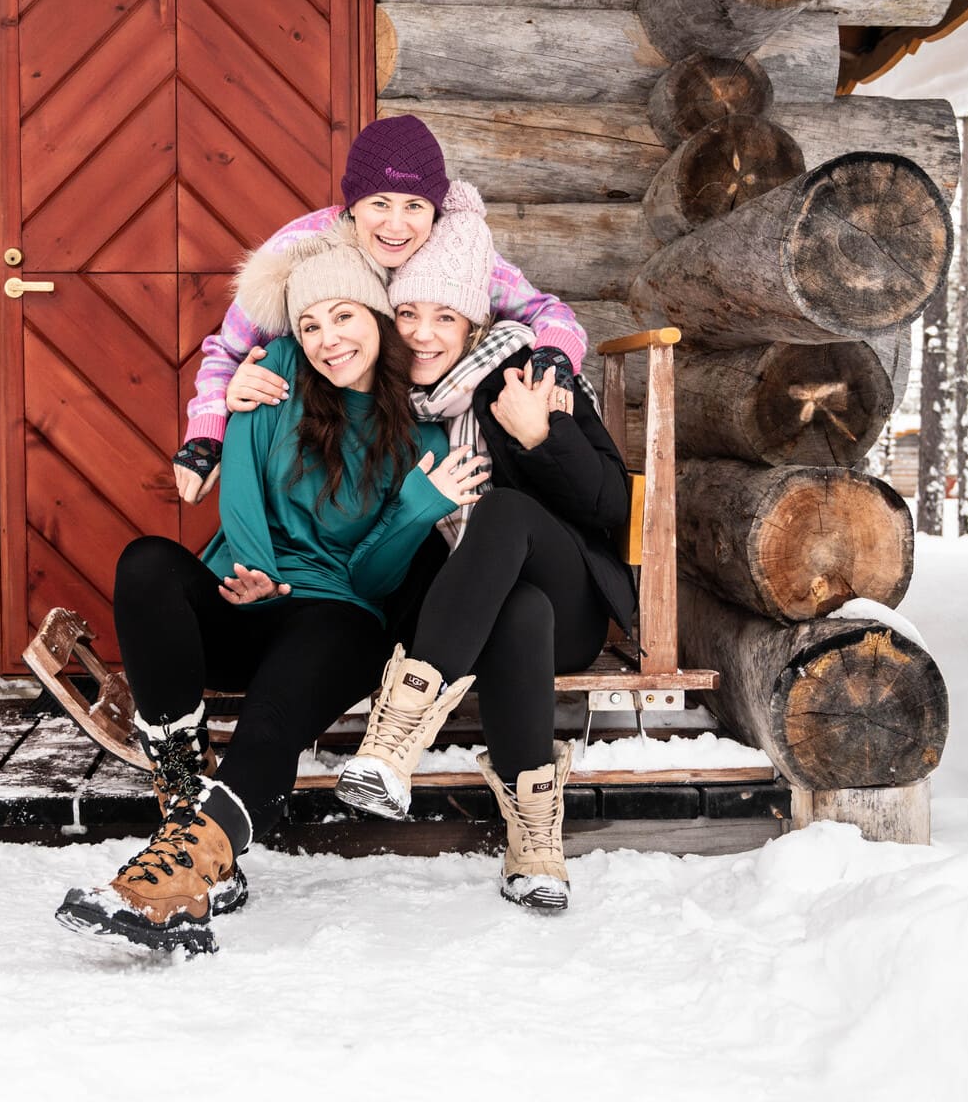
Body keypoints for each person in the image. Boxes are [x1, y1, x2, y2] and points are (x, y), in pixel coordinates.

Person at [53, 224, 487, 955]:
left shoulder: (423, 442)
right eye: (311, 323)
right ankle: (185, 793)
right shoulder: (272, 374)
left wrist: (419, 505)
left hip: (338, 619)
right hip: (246, 598)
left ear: (379, 321)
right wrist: (250, 573)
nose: (327, 338)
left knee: (274, 716)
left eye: (344, 316)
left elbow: (372, 578)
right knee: (148, 563)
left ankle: (185, 872)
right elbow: (243, 486)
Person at [333, 182, 636, 912]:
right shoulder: (372, 401)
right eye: (406, 313)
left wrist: (543, 437)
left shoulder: (529, 374)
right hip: (467, 614)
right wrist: (418, 507)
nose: (424, 334)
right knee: (515, 610)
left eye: (446, 316)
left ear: (475, 323)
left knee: (502, 513)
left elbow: (613, 508)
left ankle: (392, 741)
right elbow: (367, 553)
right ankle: (535, 842)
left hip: (574, 607)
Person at [170, 114, 588, 504]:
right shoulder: (301, 248)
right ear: (353, 203)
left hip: (420, 435)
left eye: (415, 206)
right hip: (323, 436)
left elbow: (549, 311)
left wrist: (553, 358)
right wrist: (207, 433)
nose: (396, 226)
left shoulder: (453, 254)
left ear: (435, 210)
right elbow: (226, 349)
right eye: (380, 203)